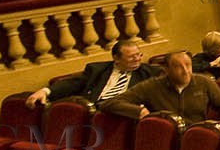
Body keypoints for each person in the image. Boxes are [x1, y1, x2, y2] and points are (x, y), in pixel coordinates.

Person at [26, 39, 160, 107]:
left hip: (124, 115)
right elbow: (72, 83)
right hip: (94, 113)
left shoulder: (149, 72)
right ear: (116, 58)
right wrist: (44, 91)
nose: (137, 59)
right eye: (131, 57)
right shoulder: (97, 70)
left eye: (139, 55)